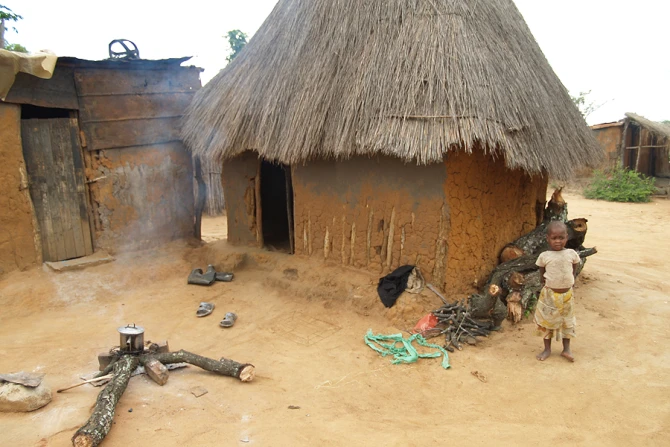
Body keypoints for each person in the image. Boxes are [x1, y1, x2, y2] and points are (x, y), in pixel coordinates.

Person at [534, 221, 581, 362]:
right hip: (549, 295)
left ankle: (566, 349)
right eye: (554, 238)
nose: (558, 241)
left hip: (567, 295)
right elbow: (542, 272)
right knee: (547, 322)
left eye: (561, 237)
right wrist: (545, 282)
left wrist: (571, 278)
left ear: (567, 237)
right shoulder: (544, 256)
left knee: (567, 322)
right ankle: (547, 349)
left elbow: (575, 265)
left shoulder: (571, 253)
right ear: (548, 238)